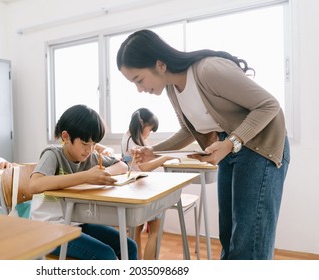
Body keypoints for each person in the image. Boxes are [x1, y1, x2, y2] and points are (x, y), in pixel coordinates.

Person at [116, 29, 290, 260]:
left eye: (139, 80)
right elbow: (189, 130)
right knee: (228, 236)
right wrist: (154, 150)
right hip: (231, 150)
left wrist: (230, 143)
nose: (139, 89)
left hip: (261, 147)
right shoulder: (172, 89)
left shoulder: (208, 71)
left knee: (249, 241)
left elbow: (269, 106)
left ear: (159, 64)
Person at [29, 104, 138, 260]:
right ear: (66, 137)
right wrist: (86, 176)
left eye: (94, 144)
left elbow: (121, 165)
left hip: (76, 223)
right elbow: (34, 184)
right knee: (106, 256)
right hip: (47, 229)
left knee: (129, 246)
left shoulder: (90, 156)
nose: (90, 149)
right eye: (85, 144)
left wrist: (102, 173)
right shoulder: (52, 154)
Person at [121, 107, 172, 260]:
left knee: (136, 230)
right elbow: (145, 167)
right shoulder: (133, 143)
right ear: (143, 125)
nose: (149, 133)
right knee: (155, 232)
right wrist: (165, 158)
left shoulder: (129, 137)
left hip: (136, 188)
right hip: (143, 188)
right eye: (150, 129)